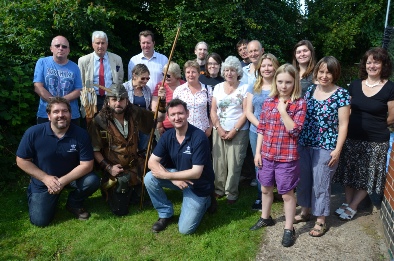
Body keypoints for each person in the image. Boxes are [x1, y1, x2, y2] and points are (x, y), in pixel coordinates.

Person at [16, 97, 100, 227]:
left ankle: (74, 202)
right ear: (49, 116)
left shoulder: (81, 134)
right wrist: (45, 178)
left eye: (65, 111)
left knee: (92, 180)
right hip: (44, 180)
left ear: (70, 114)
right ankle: (36, 193)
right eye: (56, 112)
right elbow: (21, 160)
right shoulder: (33, 133)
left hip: (71, 178)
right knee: (40, 221)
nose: (61, 115)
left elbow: (87, 165)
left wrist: (61, 182)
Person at [333, 47, 394, 221]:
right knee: (349, 172)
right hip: (351, 137)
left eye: (376, 62)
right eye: (369, 62)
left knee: (368, 175)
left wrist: (374, 125)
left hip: (376, 140)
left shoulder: (390, 88)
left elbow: (391, 117)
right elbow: (347, 111)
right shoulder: (354, 84)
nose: (372, 65)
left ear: (384, 65)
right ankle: (347, 201)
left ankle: (353, 206)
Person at [249, 64, 306, 248]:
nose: (283, 86)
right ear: (275, 82)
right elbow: (262, 128)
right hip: (267, 154)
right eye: (280, 81)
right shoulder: (268, 101)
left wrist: (283, 111)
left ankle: (289, 228)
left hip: (287, 158)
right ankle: (265, 217)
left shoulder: (299, 103)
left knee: (287, 194)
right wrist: (258, 152)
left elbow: (295, 130)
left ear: (294, 83)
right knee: (265, 189)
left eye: (288, 82)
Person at [88, 84, 166, 216]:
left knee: (141, 199)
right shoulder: (99, 121)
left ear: (127, 100)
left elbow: (159, 118)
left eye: (121, 99)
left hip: (135, 167)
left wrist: (162, 101)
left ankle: (136, 187)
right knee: (120, 211)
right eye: (114, 99)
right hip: (115, 170)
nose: (118, 103)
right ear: (108, 101)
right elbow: (95, 150)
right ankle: (110, 190)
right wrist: (109, 168)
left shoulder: (134, 112)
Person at [295, 56, 350, 237]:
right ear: (316, 72)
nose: (324, 75)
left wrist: (338, 149)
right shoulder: (310, 90)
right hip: (305, 143)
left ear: (335, 74)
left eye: (329, 72)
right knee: (304, 180)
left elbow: (343, 125)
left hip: (326, 146)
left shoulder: (341, 95)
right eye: (322, 71)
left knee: (321, 184)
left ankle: (321, 220)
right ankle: (305, 211)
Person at [144, 98, 215, 234]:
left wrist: (167, 175)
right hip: (178, 177)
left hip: (198, 185)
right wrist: (173, 179)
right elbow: (151, 162)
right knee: (149, 178)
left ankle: (207, 201)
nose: (177, 117)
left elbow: (196, 173)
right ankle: (165, 213)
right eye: (173, 115)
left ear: (187, 114)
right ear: (168, 117)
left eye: (180, 113)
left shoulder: (199, 137)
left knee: (185, 230)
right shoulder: (168, 135)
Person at [211, 56, 249, 204]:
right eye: (226, 70)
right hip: (219, 129)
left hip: (239, 131)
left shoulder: (245, 88)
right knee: (219, 162)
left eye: (232, 70)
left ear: (237, 71)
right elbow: (213, 110)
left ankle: (232, 192)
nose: (229, 73)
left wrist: (234, 130)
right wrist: (218, 128)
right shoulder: (218, 87)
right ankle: (219, 189)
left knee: (234, 163)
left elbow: (246, 111)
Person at [246, 53, 280, 211]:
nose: (266, 68)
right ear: (259, 68)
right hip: (256, 131)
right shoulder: (253, 86)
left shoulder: (280, 85)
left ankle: (281, 191)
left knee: (279, 163)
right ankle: (261, 195)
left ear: (275, 66)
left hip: (278, 133)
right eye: (263, 65)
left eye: (269, 65)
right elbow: (248, 111)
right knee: (259, 163)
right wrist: (262, 126)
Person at [33, 36, 82, 125]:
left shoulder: (75, 67)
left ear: (68, 50)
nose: (61, 48)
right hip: (46, 114)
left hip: (70, 115)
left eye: (64, 46)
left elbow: (79, 90)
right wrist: (55, 102)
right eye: (57, 46)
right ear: (51, 48)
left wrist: (61, 101)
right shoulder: (42, 62)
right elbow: (37, 87)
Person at [78, 31, 124, 114]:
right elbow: (81, 82)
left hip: (110, 98)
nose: (100, 46)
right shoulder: (83, 60)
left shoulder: (117, 59)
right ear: (93, 44)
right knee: (92, 125)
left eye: (103, 43)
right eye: (97, 43)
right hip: (91, 98)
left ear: (107, 44)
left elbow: (120, 79)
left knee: (111, 124)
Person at [173, 60, 213, 136]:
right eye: (188, 72)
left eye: (193, 72)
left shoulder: (208, 90)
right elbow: (174, 111)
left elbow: (213, 110)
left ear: (198, 73)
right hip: (184, 131)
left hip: (203, 131)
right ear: (185, 74)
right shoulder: (179, 90)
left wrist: (210, 128)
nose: (191, 75)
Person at [123, 64, 152, 152]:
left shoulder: (147, 89)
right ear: (134, 75)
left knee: (142, 149)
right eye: (143, 78)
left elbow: (149, 107)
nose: (145, 81)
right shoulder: (124, 88)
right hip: (128, 122)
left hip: (143, 123)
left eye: (147, 78)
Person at [152, 62, 186, 136]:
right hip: (166, 127)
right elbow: (155, 108)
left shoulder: (185, 85)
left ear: (176, 75)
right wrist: (159, 124)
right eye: (163, 75)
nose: (165, 77)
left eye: (168, 75)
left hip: (183, 125)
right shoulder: (160, 86)